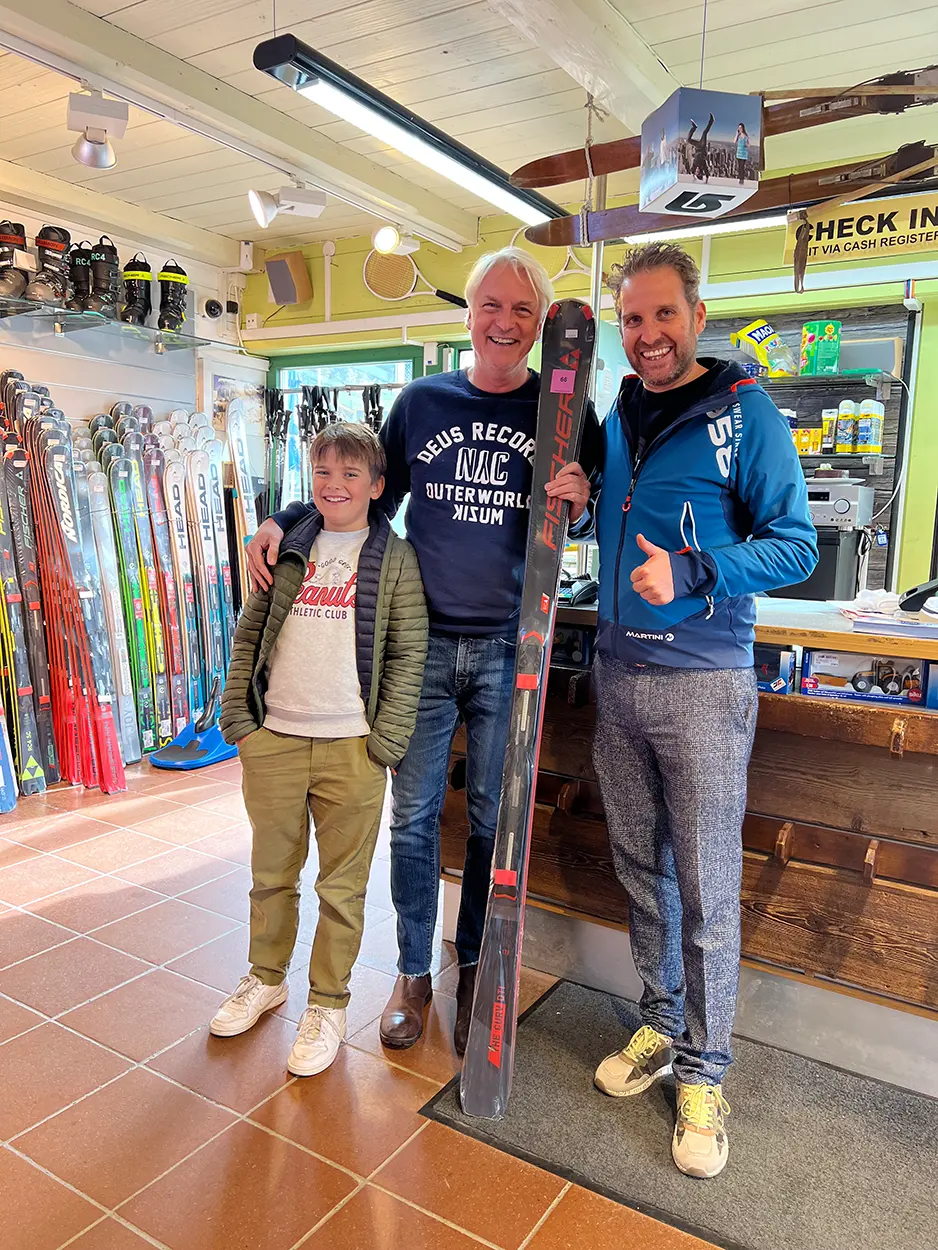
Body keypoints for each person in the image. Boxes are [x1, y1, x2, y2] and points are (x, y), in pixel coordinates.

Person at [246, 247, 599, 1057]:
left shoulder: (566, 409)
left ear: (542, 324)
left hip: (514, 648)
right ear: (469, 315)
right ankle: (412, 972)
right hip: (422, 646)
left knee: (491, 823)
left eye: (522, 309)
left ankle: (474, 962)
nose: (504, 322)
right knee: (411, 818)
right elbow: (363, 494)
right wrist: (285, 518)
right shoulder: (422, 402)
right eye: (491, 306)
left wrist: (582, 505)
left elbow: (588, 515)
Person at [586, 241, 817, 1178]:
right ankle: (659, 1022)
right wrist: (582, 498)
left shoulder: (744, 413)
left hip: (703, 684)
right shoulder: (619, 411)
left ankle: (705, 1071)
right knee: (641, 869)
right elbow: (618, 511)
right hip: (616, 675)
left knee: (707, 885)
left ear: (698, 317)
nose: (647, 335)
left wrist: (695, 570)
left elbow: (795, 545)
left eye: (663, 315)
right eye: (632, 319)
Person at [214, 422, 428, 1077]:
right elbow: (250, 632)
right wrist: (241, 723)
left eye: (350, 474)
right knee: (271, 875)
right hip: (274, 740)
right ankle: (265, 978)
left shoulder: (396, 558)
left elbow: (409, 653)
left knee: (342, 888)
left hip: (352, 751)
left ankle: (328, 1005)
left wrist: (385, 742)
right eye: (324, 473)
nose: (335, 485)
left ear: (377, 486)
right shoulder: (287, 547)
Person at [686, 112, 714, 182]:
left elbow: (692, 173)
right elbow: (707, 174)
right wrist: (706, 181)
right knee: (704, 133)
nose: (697, 170)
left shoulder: (694, 167)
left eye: (696, 172)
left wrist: (694, 177)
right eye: (698, 172)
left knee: (688, 140)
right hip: (702, 146)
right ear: (701, 172)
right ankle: (711, 121)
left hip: (697, 146)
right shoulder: (703, 165)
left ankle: (694, 127)